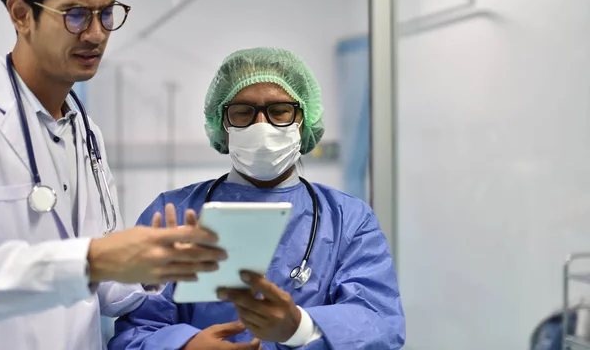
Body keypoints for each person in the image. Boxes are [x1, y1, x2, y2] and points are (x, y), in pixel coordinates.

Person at [0, 0, 226, 348]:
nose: (96, 34)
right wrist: (92, 259)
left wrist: (152, 267)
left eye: (106, 13)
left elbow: (103, 292)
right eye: (76, 14)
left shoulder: (87, 134)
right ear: (20, 14)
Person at [109, 47, 406, 350]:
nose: (261, 125)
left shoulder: (348, 219)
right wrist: (185, 346)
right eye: (243, 112)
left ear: (303, 120)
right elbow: (136, 330)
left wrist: (300, 328)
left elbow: (379, 323)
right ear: (222, 124)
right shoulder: (173, 212)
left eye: (279, 111)